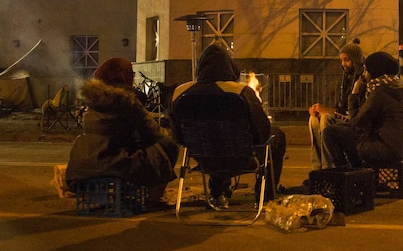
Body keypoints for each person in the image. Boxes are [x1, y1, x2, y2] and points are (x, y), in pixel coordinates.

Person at [171, 42, 287, 209]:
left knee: (214, 140)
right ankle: (265, 195)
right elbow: (262, 131)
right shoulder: (241, 92)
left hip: (203, 159)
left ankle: (218, 194)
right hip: (241, 158)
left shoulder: (181, 92)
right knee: (277, 135)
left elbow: (177, 136)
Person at [65, 58, 179, 210]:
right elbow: (152, 131)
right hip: (114, 158)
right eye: (131, 73)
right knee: (165, 146)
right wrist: (170, 134)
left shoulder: (93, 99)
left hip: (83, 162)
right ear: (124, 75)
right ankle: (155, 199)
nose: (133, 77)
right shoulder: (126, 99)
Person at [323, 51, 403, 169]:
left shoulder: (379, 93)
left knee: (330, 132)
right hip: (398, 147)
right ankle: (357, 172)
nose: (364, 74)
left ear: (374, 72)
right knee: (345, 131)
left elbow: (355, 123)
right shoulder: (393, 88)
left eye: (366, 70)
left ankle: (345, 172)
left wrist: (354, 94)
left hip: (385, 149)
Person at [308, 38, 364, 170]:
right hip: (345, 115)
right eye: (342, 60)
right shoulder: (347, 78)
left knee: (326, 119)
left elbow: (353, 110)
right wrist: (320, 109)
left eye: (347, 60)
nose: (343, 64)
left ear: (355, 60)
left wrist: (328, 110)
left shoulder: (362, 80)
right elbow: (341, 105)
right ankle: (317, 167)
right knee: (314, 119)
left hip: (354, 120)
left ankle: (329, 167)